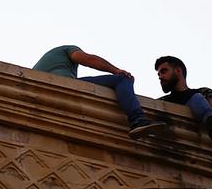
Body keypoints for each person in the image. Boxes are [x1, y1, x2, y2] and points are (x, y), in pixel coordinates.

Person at [32, 45, 166, 138]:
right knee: (122, 80)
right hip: (64, 85)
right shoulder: (67, 49)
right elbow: (89, 59)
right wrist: (116, 70)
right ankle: (137, 119)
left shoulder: (46, 63)